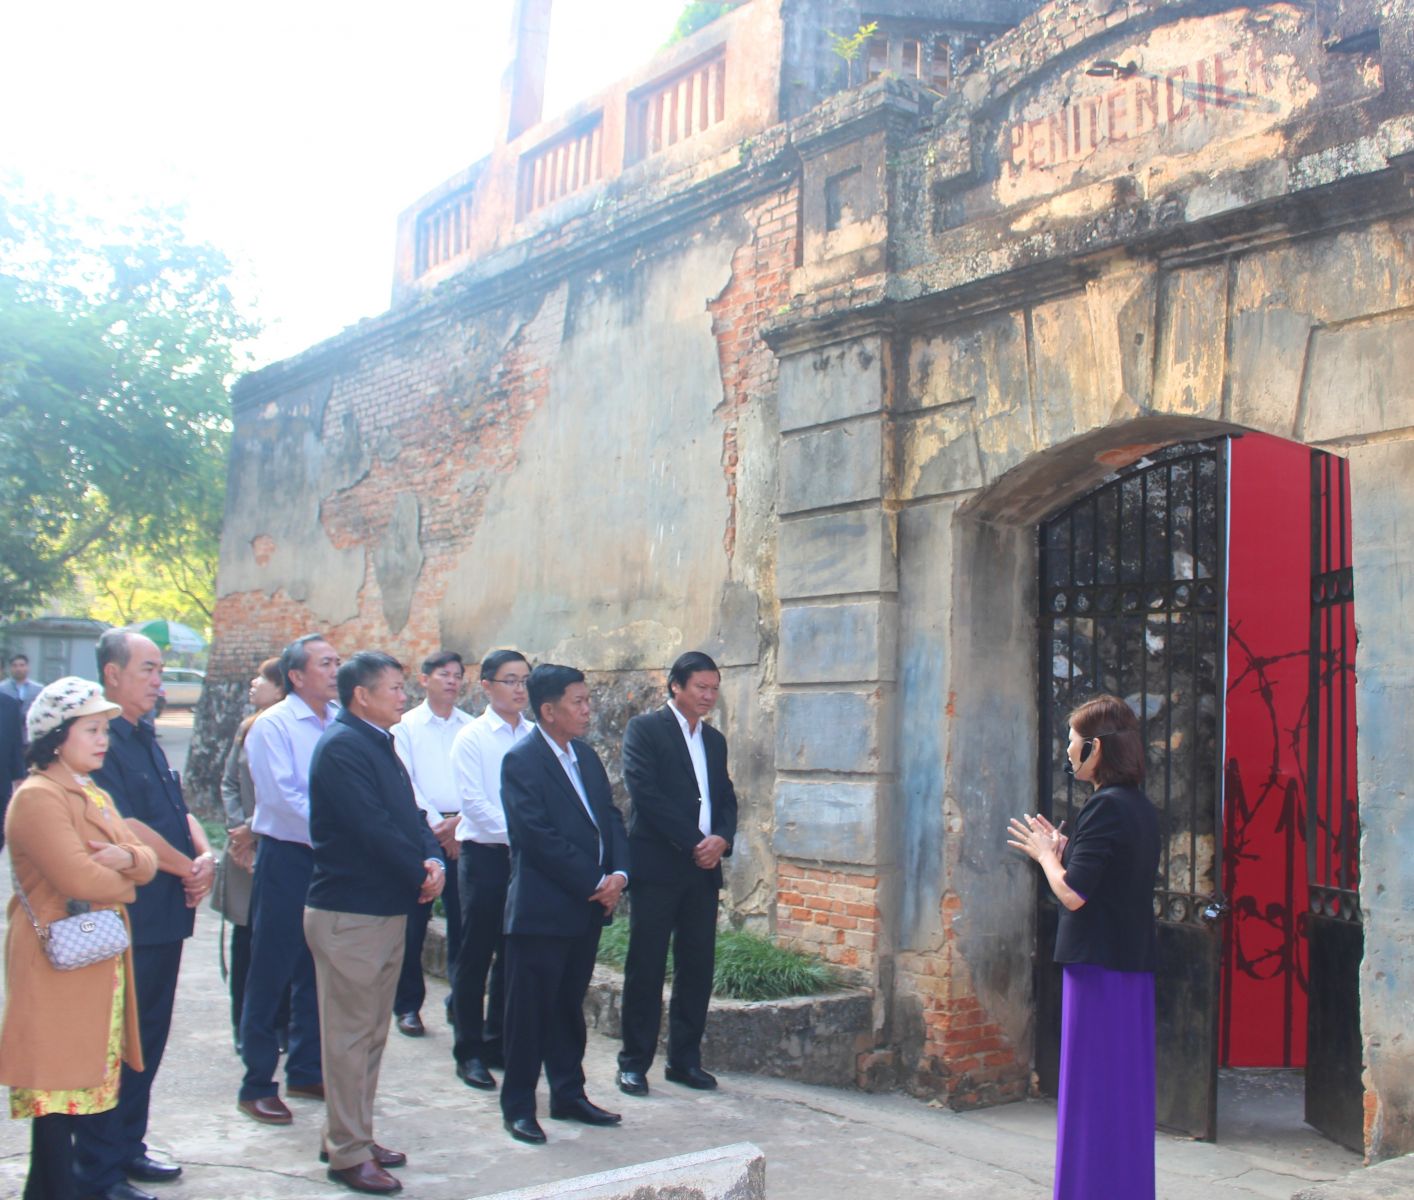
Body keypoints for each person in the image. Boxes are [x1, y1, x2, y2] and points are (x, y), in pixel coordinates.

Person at [0, 678, 158, 1200]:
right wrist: (127, 880)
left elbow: (145, 857)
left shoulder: (91, 791)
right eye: (90, 729)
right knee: (55, 1098)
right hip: (55, 965)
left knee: (81, 1090)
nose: (102, 740)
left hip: (91, 957)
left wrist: (127, 861)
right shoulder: (39, 798)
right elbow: (78, 880)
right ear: (56, 736)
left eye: (103, 730)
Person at [75, 631, 216, 1200]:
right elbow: (125, 827)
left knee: (149, 1037)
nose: (160, 680)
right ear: (113, 674)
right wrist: (188, 869)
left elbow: (179, 810)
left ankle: (129, 1145)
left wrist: (202, 857)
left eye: (161, 670)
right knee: (117, 1042)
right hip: (129, 914)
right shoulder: (102, 739)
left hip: (166, 914)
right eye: (149, 669)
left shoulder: (147, 736)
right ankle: (98, 1170)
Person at [1007, 694, 1160, 1200]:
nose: (1067, 752)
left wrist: (1046, 857)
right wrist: (1068, 850)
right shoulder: (1137, 806)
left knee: (1092, 1094)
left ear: (1095, 749)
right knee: (1124, 1093)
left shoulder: (1104, 807)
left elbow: (1074, 893)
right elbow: (1112, 873)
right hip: (1130, 964)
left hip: (1098, 969)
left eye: (1072, 743)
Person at [306, 652, 444, 1195]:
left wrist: (431, 857)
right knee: (348, 1037)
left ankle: (350, 1134)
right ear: (361, 695)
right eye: (393, 688)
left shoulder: (379, 742)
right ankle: (347, 1152)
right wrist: (418, 867)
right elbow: (371, 827)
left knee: (369, 1036)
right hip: (350, 913)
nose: (402, 696)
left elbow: (409, 814)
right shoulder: (343, 746)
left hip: (385, 908)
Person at [498, 664, 628, 1145]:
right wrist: (595, 879)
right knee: (528, 1012)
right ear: (549, 710)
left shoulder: (586, 757)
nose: (587, 709)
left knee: (567, 1007)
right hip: (542, 909)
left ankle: (568, 1094)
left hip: (587, 906)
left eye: (588, 699)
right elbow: (536, 838)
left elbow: (610, 819)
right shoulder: (522, 761)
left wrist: (619, 874)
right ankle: (518, 1106)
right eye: (578, 701)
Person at [616, 651, 738, 1097]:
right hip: (660, 866)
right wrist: (695, 843)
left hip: (703, 872)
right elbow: (644, 794)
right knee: (645, 966)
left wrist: (721, 838)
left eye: (713, 689)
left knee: (697, 966)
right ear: (676, 686)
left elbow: (725, 797)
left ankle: (685, 1060)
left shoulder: (715, 740)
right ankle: (633, 1062)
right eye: (700, 687)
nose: (708, 696)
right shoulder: (646, 730)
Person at [238, 634, 340, 1125]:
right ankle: (257, 1081)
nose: (336, 670)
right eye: (326, 663)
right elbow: (280, 799)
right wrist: (340, 832)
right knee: (271, 969)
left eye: (338, 661)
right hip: (287, 856)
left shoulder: (341, 722)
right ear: (297, 676)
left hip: (329, 861)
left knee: (316, 968)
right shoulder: (272, 725)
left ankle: (305, 1068)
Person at [448, 649, 534, 1091]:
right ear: (486, 687)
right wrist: (523, 834)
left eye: (524, 680)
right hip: (485, 858)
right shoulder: (472, 737)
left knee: (512, 953)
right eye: (510, 680)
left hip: (525, 860)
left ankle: (497, 1039)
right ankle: (468, 1051)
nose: (519, 689)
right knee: (475, 954)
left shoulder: (535, 735)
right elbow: (475, 806)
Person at [389, 651, 469, 1038]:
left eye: (457, 675)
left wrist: (459, 825)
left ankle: (461, 1002)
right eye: (444, 674)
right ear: (424, 680)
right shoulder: (403, 727)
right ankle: (407, 1005)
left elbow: (480, 781)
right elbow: (406, 782)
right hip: (421, 832)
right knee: (414, 924)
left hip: (466, 829)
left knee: (464, 924)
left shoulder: (470, 727)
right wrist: (439, 828)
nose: (452, 681)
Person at [213, 658, 284, 1050]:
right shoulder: (248, 727)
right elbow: (227, 782)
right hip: (244, 852)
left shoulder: (294, 729)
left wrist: (253, 828)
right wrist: (238, 831)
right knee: (245, 939)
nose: (253, 683)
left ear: (282, 687)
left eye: (263, 678)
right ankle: (243, 1025)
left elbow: (289, 792)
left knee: (280, 942)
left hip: (276, 844)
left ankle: (278, 1023)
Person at [1, 654, 44, 729]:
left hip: (30, 730)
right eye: (15, 666)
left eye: (22, 665)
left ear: (27, 667)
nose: (18, 669)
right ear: (10, 668)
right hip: (7, 729)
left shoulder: (38, 689)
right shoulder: (2, 688)